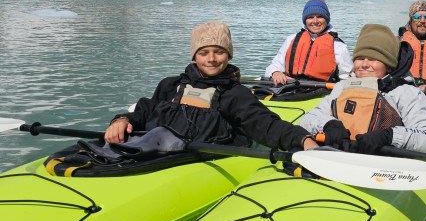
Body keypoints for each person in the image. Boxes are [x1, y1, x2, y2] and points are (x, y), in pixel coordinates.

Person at [105, 21, 318, 152]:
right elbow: (144, 110)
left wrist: (303, 139)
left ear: (229, 54)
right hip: (150, 152)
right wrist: (122, 120)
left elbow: (266, 125)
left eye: (219, 51)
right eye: (204, 52)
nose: (212, 59)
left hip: (194, 162)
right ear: (194, 56)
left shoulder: (235, 95)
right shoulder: (170, 85)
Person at [299, 23, 426, 155]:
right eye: (360, 58)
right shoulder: (342, 87)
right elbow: (307, 119)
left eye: (373, 59)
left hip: (386, 163)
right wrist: (328, 124)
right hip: (342, 157)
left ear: (388, 65)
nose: (365, 64)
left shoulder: (406, 93)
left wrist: (390, 136)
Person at [265, 0, 352, 85]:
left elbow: (347, 77)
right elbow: (274, 66)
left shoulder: (338, 45)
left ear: (326, 19)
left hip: (322, 90)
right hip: (291, 87)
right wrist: (275, 72)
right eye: (310, 17)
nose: (315, 21)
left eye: (319, 17)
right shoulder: (291, 39)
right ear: (305, 20)